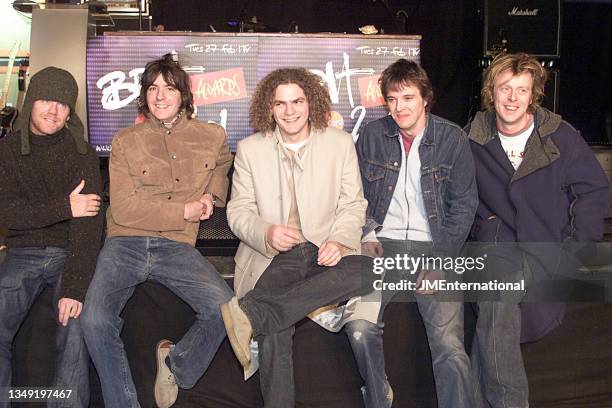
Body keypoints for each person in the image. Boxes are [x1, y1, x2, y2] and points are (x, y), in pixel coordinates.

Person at [80, 54, 233, 408]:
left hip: (177, 246)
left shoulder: (211, 136)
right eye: (152, 88)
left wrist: (211, 193)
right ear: (144, 95)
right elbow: (124, 208)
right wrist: (185, 209)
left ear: (184, 95)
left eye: (169, 88)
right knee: (94, 319)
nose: (160, 96)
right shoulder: (125, 141)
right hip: (125, 243)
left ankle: (176, 364)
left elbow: (222, 164)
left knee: (224, 308)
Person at [222, 67, 376, 407]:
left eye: (297, 101)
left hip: (326, 251)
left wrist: (338, 240)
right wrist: (267, 232)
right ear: (269, 108)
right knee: (277, 331)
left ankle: (251, 313)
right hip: (277, 256)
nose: (289, 111)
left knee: (367, 271)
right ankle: (268, 314)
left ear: (311, 103)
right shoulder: (250, 149)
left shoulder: (339, 142)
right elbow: (237, 212)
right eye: (281, 104)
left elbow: (353, 204)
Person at [466, 52, 609, 408]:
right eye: (505, 89)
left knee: (494, 311)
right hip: (494, 249)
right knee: (495, 305)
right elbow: (454, 196)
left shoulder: (560, 136)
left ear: (533, 95)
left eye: (521, 90)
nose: (512, 98)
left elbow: (593, 191)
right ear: (491, 92)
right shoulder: (472, 137)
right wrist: (483, 226)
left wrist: (576, 251)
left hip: (541, 249)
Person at [349, 59, 478, 408]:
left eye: (407, 97)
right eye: (392, 99)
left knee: (450, 347)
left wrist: (440, 260)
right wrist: (366, 233)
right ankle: (379, 396)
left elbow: (464, 206)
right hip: (383, 246)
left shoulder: (451, 138)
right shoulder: (373, 137)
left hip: (435, 247)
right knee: (359, 329)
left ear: (425, 99)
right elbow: (354, 195)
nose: (399, 107)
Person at [0, 67, 104, 408]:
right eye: (46, 99)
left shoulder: (82, 153)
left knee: (75, 326)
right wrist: (65, 205)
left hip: (67, 251)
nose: (53, 110)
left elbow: (89, 227)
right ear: (30, 101)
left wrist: (74, 289)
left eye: (62, 103)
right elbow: (7, 213)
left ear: (70, 110)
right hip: (21, 252)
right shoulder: (8, 150)